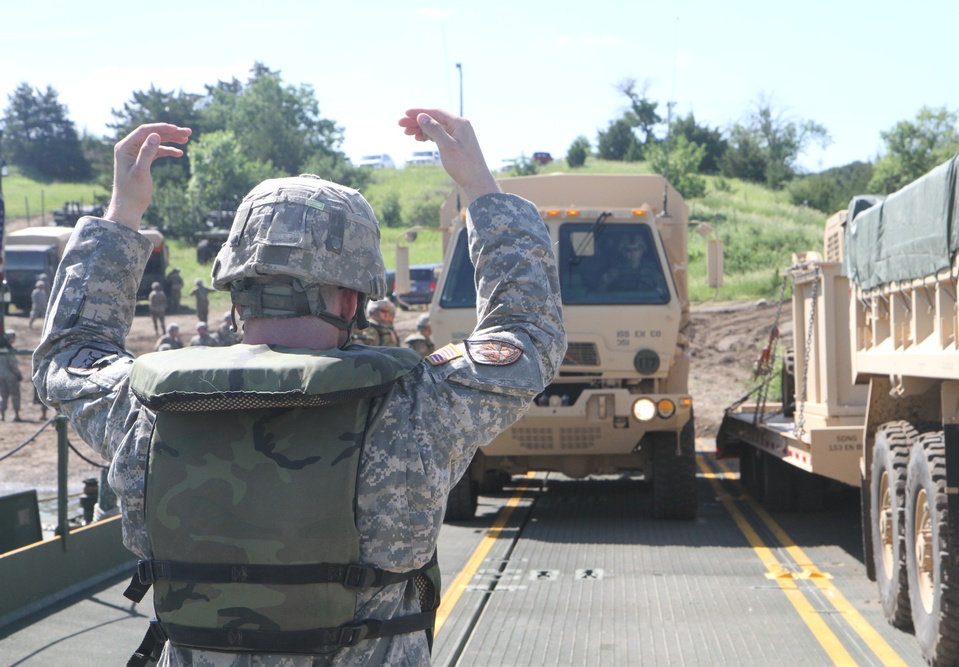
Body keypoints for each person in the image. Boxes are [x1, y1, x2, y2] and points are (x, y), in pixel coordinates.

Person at [32, 109, 565, 666]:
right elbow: (527, 334)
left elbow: (70, 353)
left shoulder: (142, 406)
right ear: (353, 299)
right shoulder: (415, 407)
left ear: (235, 292)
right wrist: (479, 185)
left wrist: (123, 212)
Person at [0, 330, 22, 422]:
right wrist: (18, 375)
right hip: (11, 376)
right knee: (15, 395)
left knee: (3, 395)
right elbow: (13, 365)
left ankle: (3, 416)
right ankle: (16, 415)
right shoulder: (9, 349)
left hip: (1, 376)